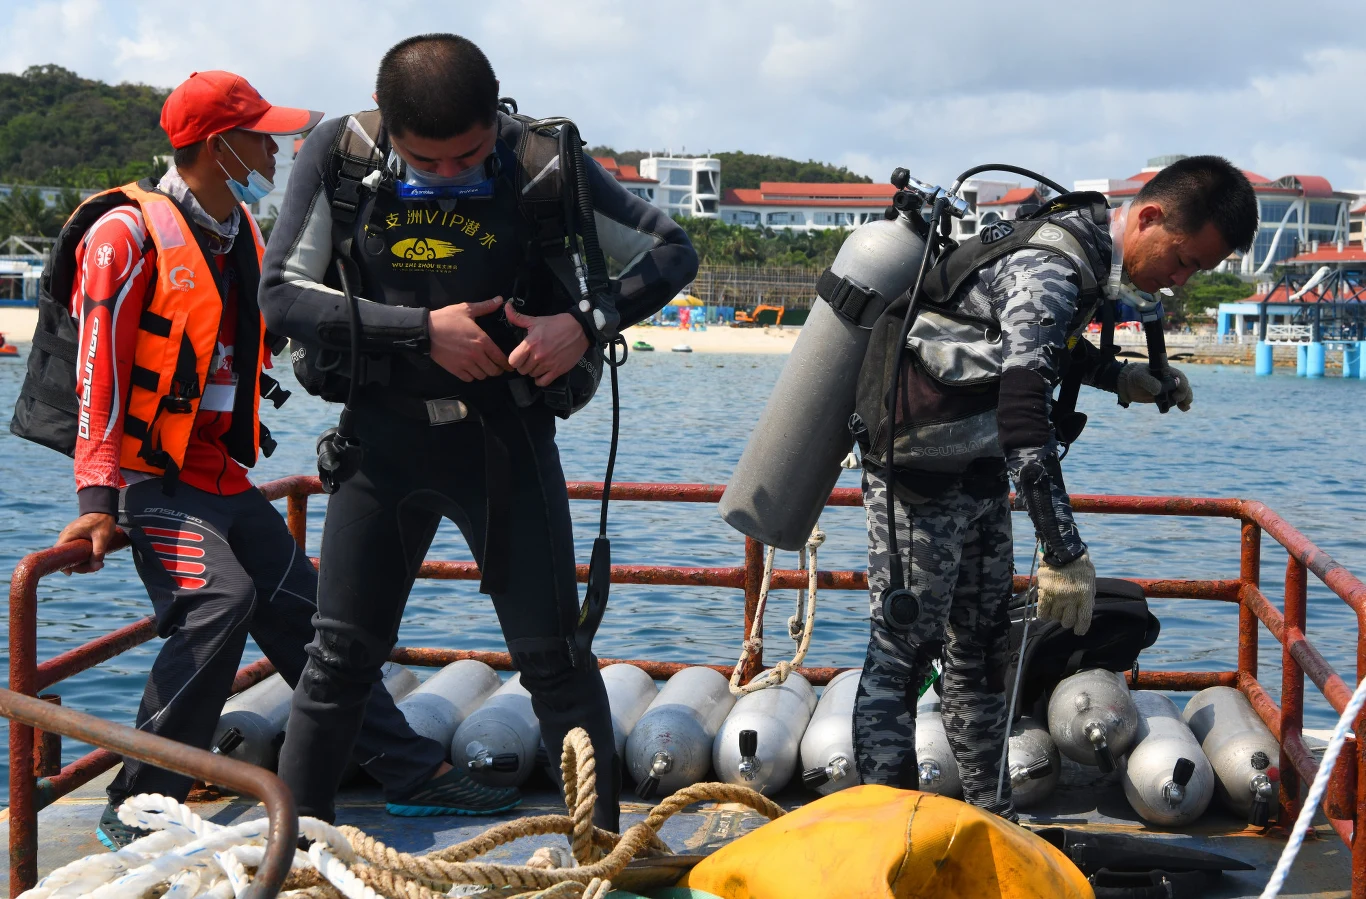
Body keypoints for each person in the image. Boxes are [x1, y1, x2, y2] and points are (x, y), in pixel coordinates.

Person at [50, 71, 516, 851]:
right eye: (258, 135)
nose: (274, 147)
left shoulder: (243, 234)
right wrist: (96, 498)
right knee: (220, 600)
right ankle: (139, 796)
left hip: (222, 477)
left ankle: (407, 772)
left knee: (320, 618)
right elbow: (96, 363)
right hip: (149, 478)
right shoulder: (124, 235)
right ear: (215, 146)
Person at [260, 34, 697, 830]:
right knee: (338, 663)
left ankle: (598, 857)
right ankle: (295, 857)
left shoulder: (541, 161)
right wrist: (420, 331)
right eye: (429, 160)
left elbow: (673, 250)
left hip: (506, 442)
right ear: (390, 131)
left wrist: (582, 323)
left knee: (555, 662)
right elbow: (281, 297)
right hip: (381, 441)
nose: (453, 173)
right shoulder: (341, 155)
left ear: (495, 119)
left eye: (469, 155)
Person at [851, 156, 1258, 818]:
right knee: (903, 651)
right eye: (1182, 260)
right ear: (1150, 217)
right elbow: (1023, 408)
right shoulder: (1056, 262)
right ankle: (883, 825)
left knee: (981, 649)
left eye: (1195, 273)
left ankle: (989, 812)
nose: (1180, 279)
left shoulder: (1089, 259)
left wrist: (1119, 376)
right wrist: (1064, 550)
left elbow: (1028, 344)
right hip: (917, 468)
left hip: (975, 462)